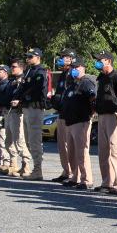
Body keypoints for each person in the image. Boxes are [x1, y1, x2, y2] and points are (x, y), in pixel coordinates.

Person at [12, 48, 50, 180]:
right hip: (27, 108)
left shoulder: (40, 71)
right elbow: (23, 86)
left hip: (35, 108)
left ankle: (38, 170)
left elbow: (36, 89)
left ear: (38, 57)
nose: (28, 59)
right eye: (27, 57)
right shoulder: (29, 71)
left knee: (34, 140)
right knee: (28, 140)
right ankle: (34, 168)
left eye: (30, 57)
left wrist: (21, 98)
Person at [59, 57, 97, 189]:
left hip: (81, 121)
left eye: (76, 67)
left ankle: (86, 180)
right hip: (70, 122)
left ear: (83, 68)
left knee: (81, 152)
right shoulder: (73, 84)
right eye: (72, 68)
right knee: (72, 153)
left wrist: (90, 114)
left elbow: (93, 98)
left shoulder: (86, 82)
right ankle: (75, 177)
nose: (73, 70)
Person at [93, 51, 117, 195]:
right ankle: (107, 182)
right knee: (103, 151)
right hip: (102, 116)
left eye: (100, 60)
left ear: (108, 61)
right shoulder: (101, 77)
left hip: (114, 115)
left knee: (115, 150)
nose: (97, 62)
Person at [51, 49, 76, 183]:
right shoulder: (63, 74)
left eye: (63, 57)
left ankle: (72, 173)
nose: (61, 59)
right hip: (60, 112)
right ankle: (66, 171)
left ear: (71, 59)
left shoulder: (73, 73)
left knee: (69, 145)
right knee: (61, 145)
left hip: (69, 114)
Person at [4, 59, 31, 177]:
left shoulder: (24, 81)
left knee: (19, 141)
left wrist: (19, 102)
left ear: (21, 68)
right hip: (9, 112)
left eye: (14, 66)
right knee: (8, 141)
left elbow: (25, 96)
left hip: (18, 113)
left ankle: (26, 165)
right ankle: (13, 165)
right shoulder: (11, 81)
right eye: (11, 66)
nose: (12, 68)